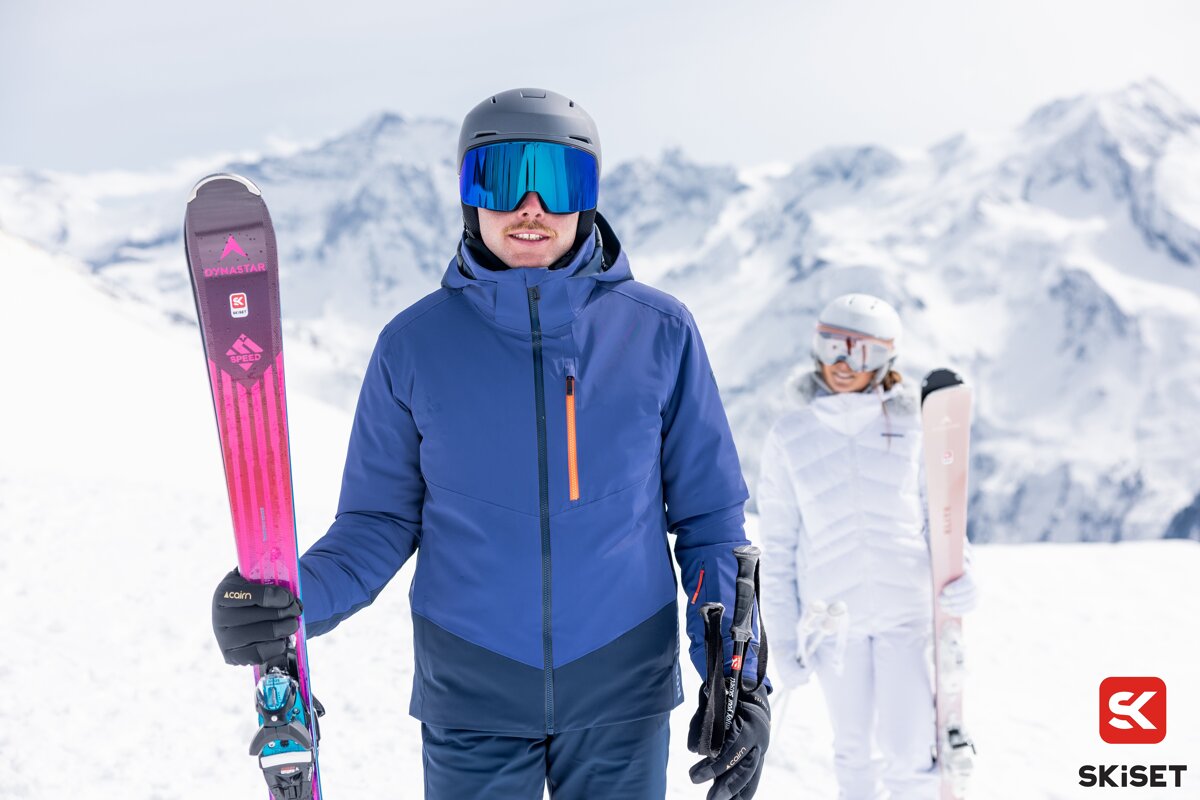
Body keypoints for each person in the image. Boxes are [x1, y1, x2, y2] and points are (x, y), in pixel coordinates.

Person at [209, 88, 769, 800]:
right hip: (471, 691)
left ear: (587, 198)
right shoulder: (414, 345)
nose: (530, 206)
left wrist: (739, 676)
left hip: (621, 690)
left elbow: (710, 521)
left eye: (559, 181)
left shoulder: (658, 331)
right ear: (469, 195)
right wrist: (285, 602)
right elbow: (376, 526)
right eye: (501, 178)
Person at [756, 293, 978, 800]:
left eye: (859, 352)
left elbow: (939, 514)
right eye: (831, 345)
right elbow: (780, 542)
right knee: (853, 752)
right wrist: (785, 639)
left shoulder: (912, 427)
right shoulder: (791, 436)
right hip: (836, 622)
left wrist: (961, 572)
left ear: (885, 359)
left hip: (905, 614)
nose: (840, 363)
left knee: (907, 751)